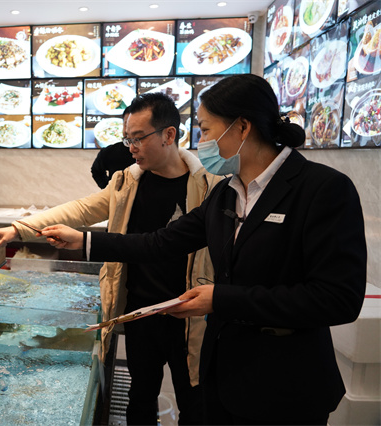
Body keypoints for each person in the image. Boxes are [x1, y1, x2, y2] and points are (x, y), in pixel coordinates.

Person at [40, 74, 367, 425]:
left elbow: (338, 299)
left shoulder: (322, 189)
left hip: (285, 383)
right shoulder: (227, 193)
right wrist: (85, 241)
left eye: (206, 130)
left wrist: (220, 299)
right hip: (224, 373)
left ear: (242, 127)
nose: (201, 142)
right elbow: (162, 242)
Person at [0, 92, 221, 425]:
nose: (131, 148)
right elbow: (81, 209)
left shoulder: (209, 186)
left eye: (138, 138)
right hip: (140, 310)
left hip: (190, 311)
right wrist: (20, 228)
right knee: (140, 396)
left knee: (194, 400)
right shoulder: (126, 181)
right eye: (127, 139)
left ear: (169, 134)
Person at [91, 108, 135, 188]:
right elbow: (96, 171)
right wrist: (109, 189)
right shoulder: (110, 151)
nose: (128, 130)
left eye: (133, 125)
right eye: (126, 124)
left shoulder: (151, 153)